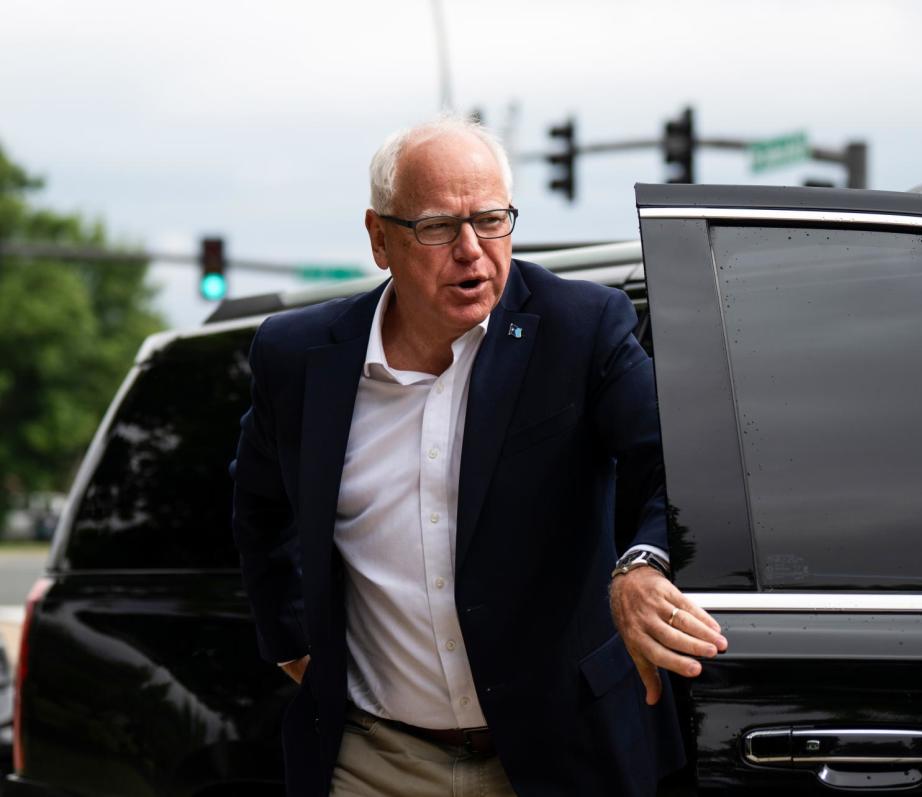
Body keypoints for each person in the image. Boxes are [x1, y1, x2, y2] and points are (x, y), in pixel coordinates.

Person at [230, 115, 728, 797]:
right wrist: (291, 640)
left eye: (492, 220)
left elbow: (673, 464)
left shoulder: (581, 329)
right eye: (437, 227)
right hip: (376, 756)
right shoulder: (298, 359)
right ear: (380, 237)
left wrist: (641, 564)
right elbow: (260, 504)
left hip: (561, 752)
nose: (472, 250)